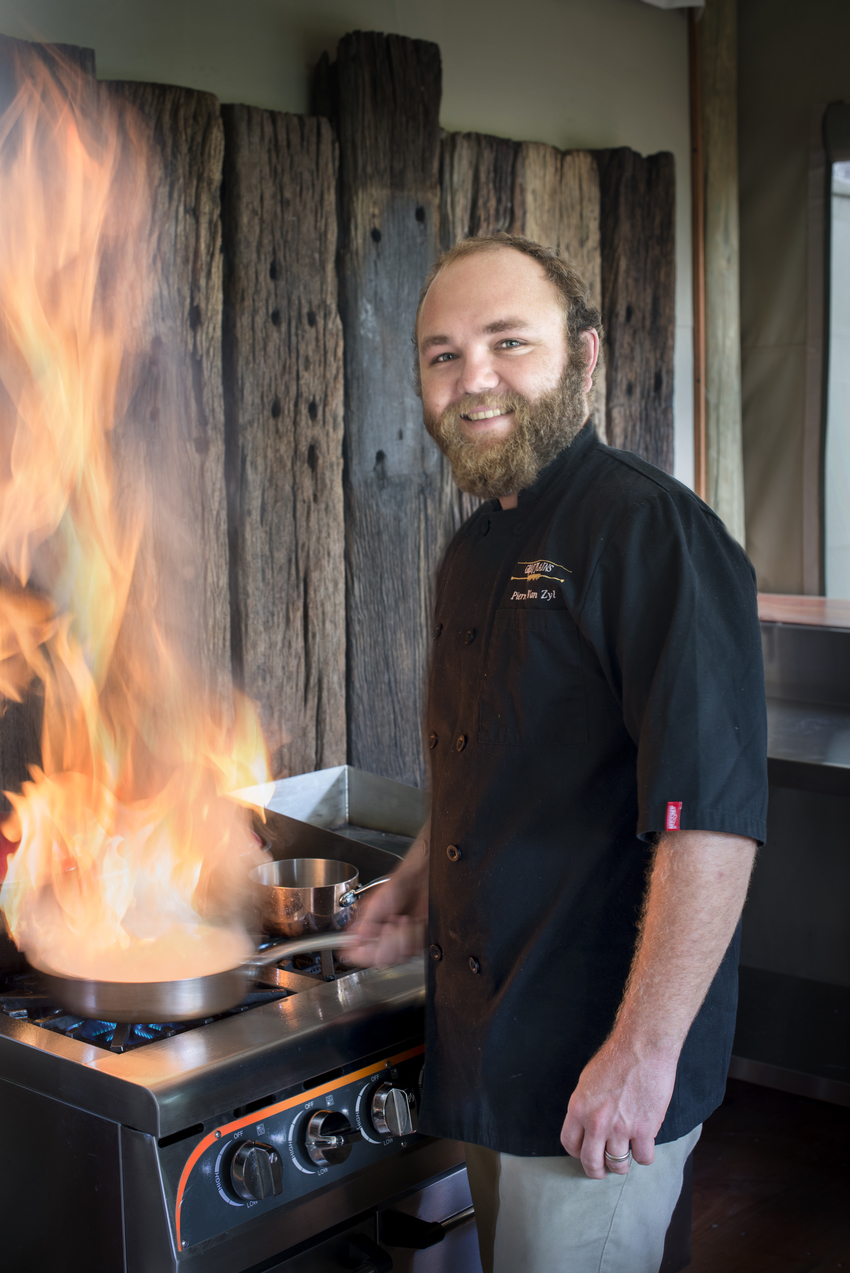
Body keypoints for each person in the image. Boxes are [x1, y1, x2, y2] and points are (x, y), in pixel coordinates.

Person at [349, 233, 767, 1273]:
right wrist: (416, 877)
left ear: (584, 353)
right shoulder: (472, 548)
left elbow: (710, 821)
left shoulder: (652, 532)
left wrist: (642, 1054)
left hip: (597, 1065)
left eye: (508, 342)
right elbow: (495, 760)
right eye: (443, 354)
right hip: (493, 1045)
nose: (473, 378)